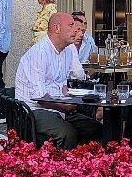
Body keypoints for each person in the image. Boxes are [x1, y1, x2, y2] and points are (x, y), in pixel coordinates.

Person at [15, 12, 102, 148]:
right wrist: (65, 106)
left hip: (56, 107)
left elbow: (63, 85)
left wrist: (70, 99)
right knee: (67, 133)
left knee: (95, 128)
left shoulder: (67, 50)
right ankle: (61, 161)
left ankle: (86, 160)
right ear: (57, 28)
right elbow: (40, 98)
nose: (76, 29)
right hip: (33, 111)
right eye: (71, 25)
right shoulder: (39, 53)